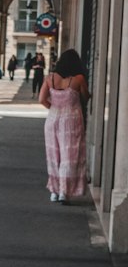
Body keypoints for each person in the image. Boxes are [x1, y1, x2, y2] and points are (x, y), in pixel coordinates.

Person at [39, 48, 88, 202]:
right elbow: (85, 97)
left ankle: (53, 191)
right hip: (71, 120)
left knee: (54, 156)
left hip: (52, 119)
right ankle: (64, 192)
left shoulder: (50, 78)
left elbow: (41, 99)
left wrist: (54, 108)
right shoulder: (79, 79)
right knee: (69, 156)